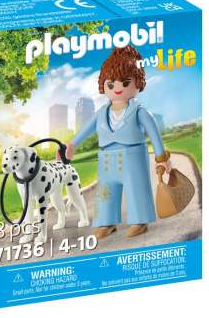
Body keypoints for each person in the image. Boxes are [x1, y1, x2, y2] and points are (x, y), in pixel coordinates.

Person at [64, 45, 170, 240]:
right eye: (111, 84)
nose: (118, 88)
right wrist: (73, 144)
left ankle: (140, 220)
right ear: (104, 86)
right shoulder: (101, 113)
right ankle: (107, 222)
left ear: (137, 83)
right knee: (105, 192)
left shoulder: (139, 112)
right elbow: (86, 130)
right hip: (107, 159)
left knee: (137, 190)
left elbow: (154, 134)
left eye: (125, 82)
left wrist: (161, 157)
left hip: (133, 157)